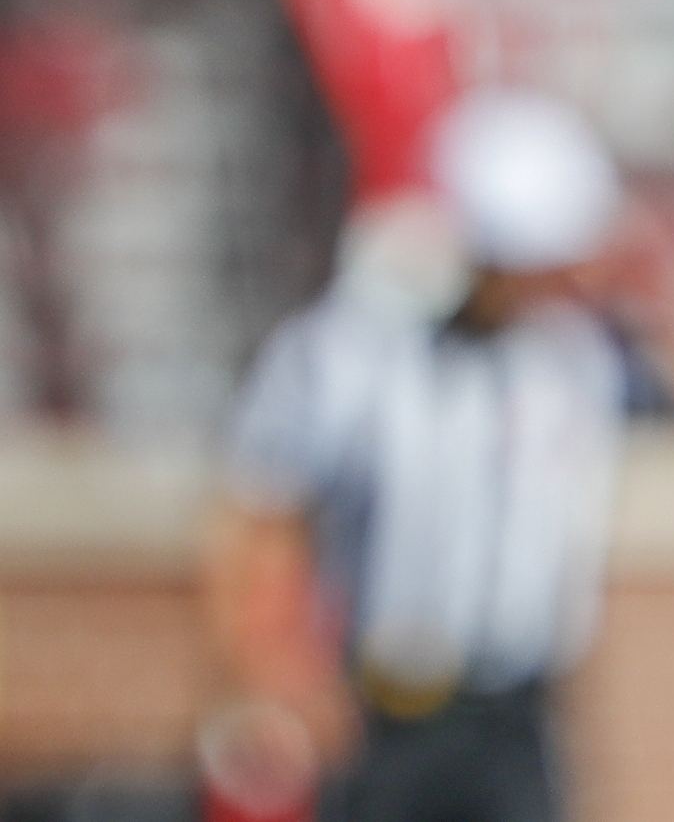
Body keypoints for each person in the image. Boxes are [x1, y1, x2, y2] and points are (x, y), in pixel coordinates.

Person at [205, 88, 628, 822]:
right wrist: (273, 672)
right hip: (392, 710)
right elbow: (259, 506)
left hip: (520, 712)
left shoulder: (571, 354)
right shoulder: (358, 348)